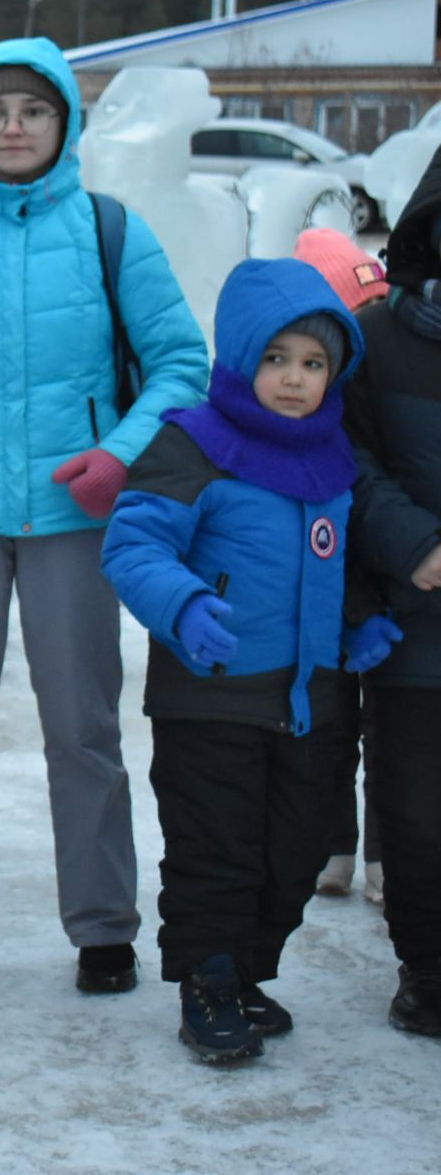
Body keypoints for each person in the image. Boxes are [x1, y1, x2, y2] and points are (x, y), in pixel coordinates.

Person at [0, 37, 209, 992]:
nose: (14, 128)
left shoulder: (111, 232)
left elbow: (182, 363)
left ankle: (103, 924)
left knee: (83, 725)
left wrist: (120, 455)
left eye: (34, 111)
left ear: (65, 123)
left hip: (77, 522)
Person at [104, 258, 383, 1064]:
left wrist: (357, 626)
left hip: (312, 698)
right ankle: (209, 979)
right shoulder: (196, 442)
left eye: (313, 363)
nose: (294, 379)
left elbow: (335, 559)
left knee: (295, 845)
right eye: (276, 358)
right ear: (240, 355)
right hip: (211, 694)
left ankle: (245, 970)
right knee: (216, 847)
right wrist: (184, 604)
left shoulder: (332, 456)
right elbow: (135, 540)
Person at [346, 143, 441, 1038]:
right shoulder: (380, 339)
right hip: (418, 621)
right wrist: (415, 541)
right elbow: (353, 462)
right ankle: (428, 964)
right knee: (416, 809)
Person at [293, 228, 392, 903]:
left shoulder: (392, 382)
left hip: (388, 576)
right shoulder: (301, 400)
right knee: (329, 725)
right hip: (325, 581)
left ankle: (387, 850)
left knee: (392, 724)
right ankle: (335, 844)